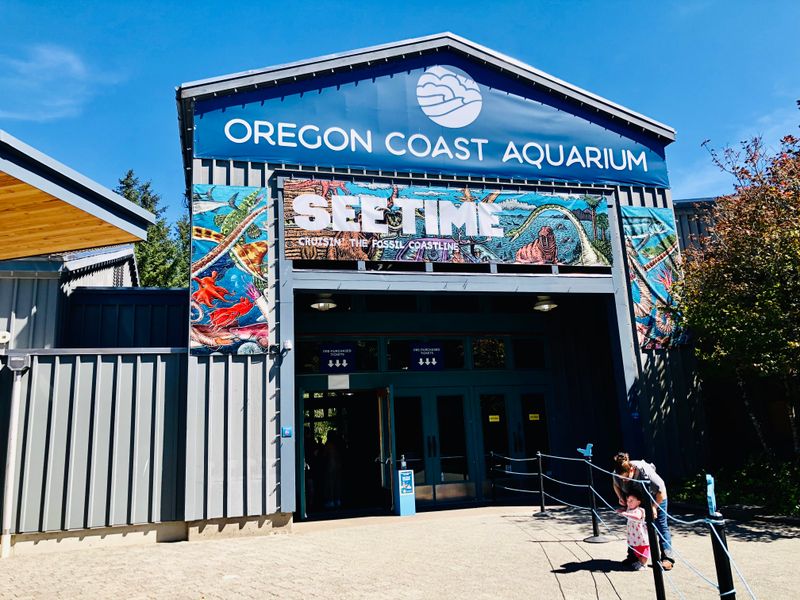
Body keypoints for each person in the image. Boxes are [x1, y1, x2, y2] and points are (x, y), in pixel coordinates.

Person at [612, 451, 675, 571]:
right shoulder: (617, 472)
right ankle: (633, 556)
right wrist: (620, 497)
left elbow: (661, 491)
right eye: (621, 478)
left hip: (656, 497)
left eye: (626, 478)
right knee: (633, 526)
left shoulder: (644, 470)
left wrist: (654, 507)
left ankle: (667, 558)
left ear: (631, 470)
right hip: (637, 499)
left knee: (661, 525)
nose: (623, 481)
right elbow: (615, 484)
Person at [616, 491, 649, 571]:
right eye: (628, 501)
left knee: (643, 549)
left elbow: (637, 517)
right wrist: (621, 511)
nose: (629, 502)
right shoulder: (629, 509)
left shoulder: (639, 510)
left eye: (631, 501)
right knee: (636, 549)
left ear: (638, 502)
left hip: (641, 536)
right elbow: (626, 512)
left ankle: (644, 564)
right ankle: (640, 562)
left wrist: (625, 514)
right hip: (634, 536)